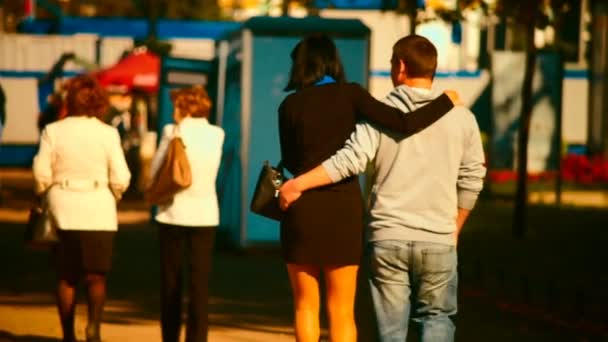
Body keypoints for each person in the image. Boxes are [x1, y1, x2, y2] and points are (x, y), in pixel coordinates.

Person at [279, 35, 486, 341]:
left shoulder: (295, 106)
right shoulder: (354, 97)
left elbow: (315, 160)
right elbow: (410, 128)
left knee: (312, 308)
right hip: (377, 220)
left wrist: (297, 184)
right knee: (356, 311)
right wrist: (445, 101)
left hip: (341, 221)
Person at [32, 75, 131, 342]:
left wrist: (45, 196)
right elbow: (122, 176)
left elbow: (41, 173)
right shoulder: (108, 133)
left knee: (66, 277)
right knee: (96, 276)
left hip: (63, 208)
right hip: (99, 208)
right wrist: (112, 195)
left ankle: (67, 334)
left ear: (70, 102)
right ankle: (94, 327)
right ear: (99, 102)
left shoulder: (53, 130)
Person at [150, 85, 224, 342]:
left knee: (171, 282)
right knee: (199, 286)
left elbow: (156, 173)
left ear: (182, 106)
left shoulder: (171, 132)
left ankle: (170, 337)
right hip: (205, 215)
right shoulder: (218, 133)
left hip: (172, 214)